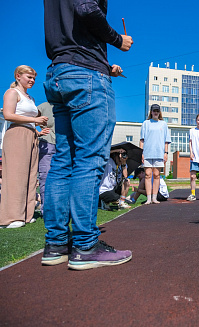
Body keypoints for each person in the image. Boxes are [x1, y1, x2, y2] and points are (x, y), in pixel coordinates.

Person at [42, 0, 134, 270]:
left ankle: (56, 244)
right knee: (89, 160)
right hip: (85, 72)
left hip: (59, 71)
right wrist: (117, 40)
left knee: (63, 161)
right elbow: (86, 8)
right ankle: (85, 245)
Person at [0, 65, 49, 229]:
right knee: (16, 175)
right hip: (16, 135)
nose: (32, 80)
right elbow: (8, 115)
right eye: (29, 77)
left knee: (30, 176)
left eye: (34, 78)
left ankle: (26, 215)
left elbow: (26, 118)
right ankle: (11, 217)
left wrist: (37, 131)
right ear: (17, 76)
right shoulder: (12, 93)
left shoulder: (31, 99)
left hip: (31, 135)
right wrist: (36, 121)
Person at [140, 104, 171, 205]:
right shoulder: (146, 123)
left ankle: (154, 198)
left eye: (157, 111)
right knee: (148, 175)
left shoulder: (163, 124)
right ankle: (149, 199)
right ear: (151, 112)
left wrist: (166, 153)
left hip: (159, 153)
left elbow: (166, 140)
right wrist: (141, 153)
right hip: (147, 152)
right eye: (154, 111)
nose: (156, 112)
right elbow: (142, 140)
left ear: (159, 112)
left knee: (157, 175)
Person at [37, 102, 55, 215]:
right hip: (47, 144)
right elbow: (27, 120)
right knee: (46, 178)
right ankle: (47, 211)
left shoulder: (68, 106)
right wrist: (38, 132)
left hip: (65, 147)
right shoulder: (44, 106)